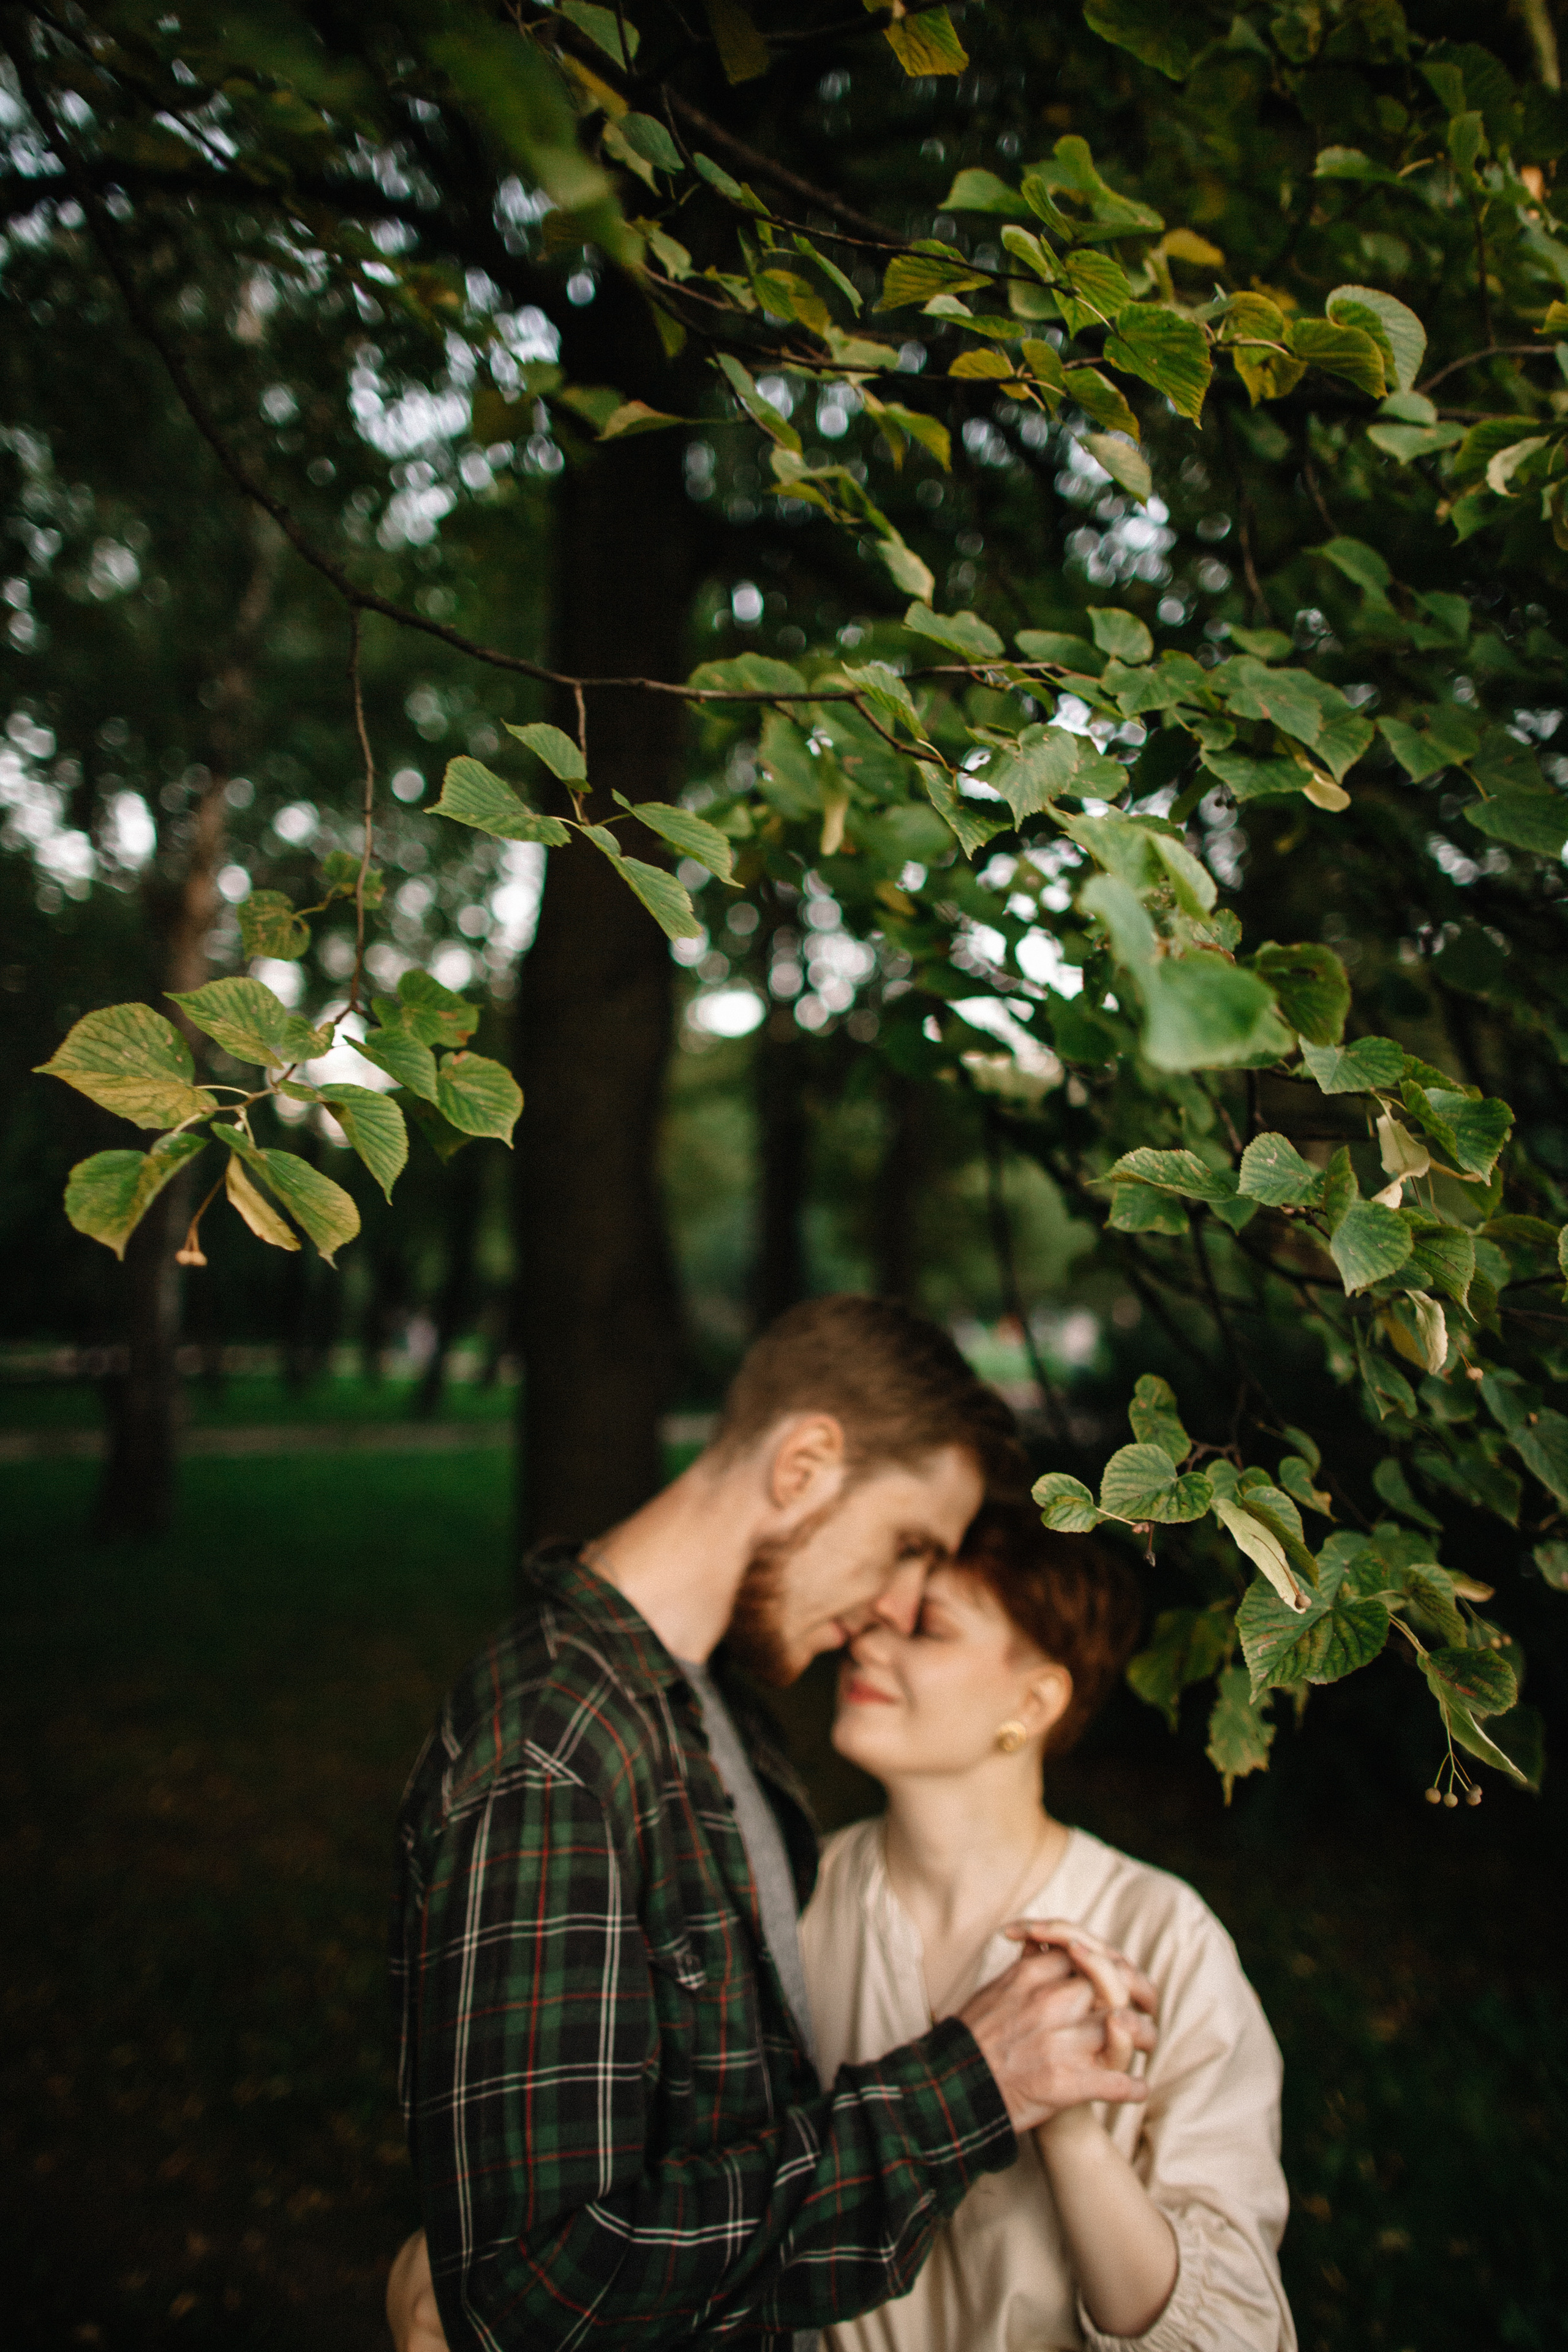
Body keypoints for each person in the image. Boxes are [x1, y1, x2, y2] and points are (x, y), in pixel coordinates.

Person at [388, 1296, 1159, 2352]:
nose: (900, 1608)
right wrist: (968, 2086)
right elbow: (540, 2295)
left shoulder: (723, 1719)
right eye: (907, 1546)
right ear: (802, 1466)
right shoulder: (555, 1752)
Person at [805, 1503, 1295, 2352]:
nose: (867, 1643)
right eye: (878, 1614)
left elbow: (1231, 2335)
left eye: (926, 1627)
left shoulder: (1162, 1936)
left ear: (1034, 1701)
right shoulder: (792, 1900)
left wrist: (1071, 2132)